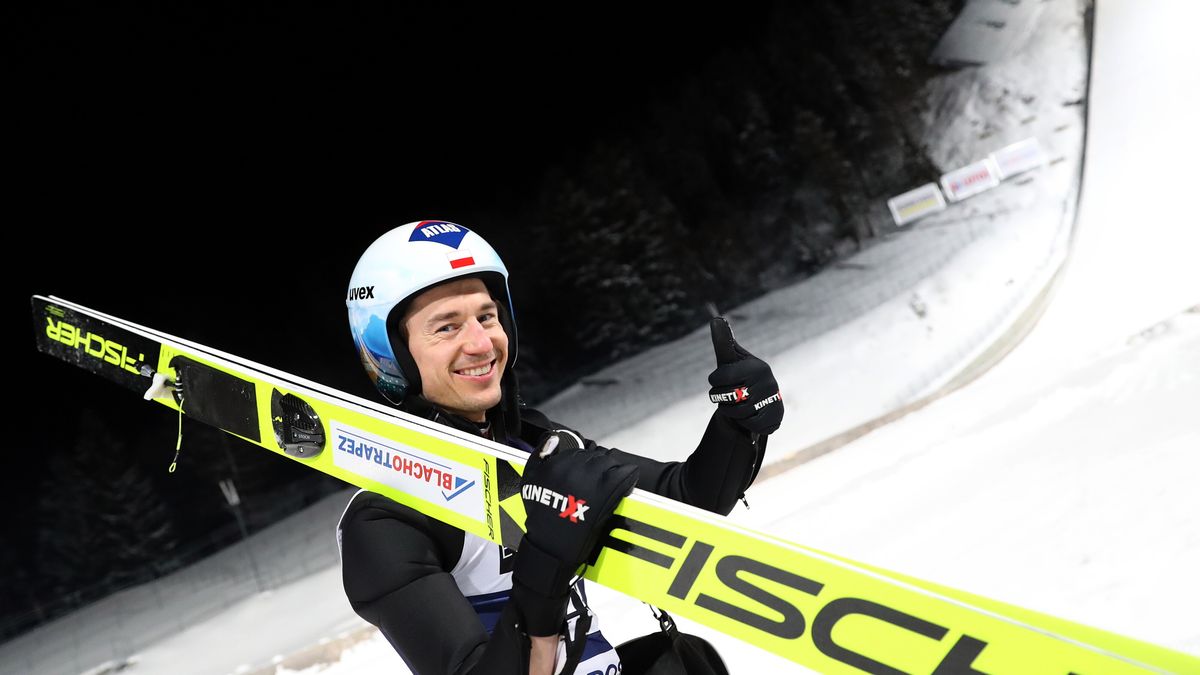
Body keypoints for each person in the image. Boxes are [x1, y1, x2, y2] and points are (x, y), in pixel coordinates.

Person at [337, 220, 784, 675]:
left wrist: (738, 424)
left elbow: (687, 497)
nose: (479, 343)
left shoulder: (539, 447)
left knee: (685, 664)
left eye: (487, 317)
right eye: (447, 328)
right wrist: (547, 563)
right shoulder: (385, 518)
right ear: (392, 354)